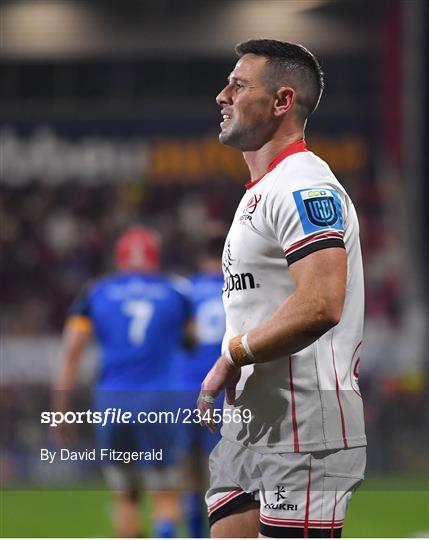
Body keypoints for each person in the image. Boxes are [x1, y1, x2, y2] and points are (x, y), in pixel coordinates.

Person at [197, 39, 366, 538]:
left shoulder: (303, 183)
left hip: (305, 427)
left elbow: (321, 303)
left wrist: (234, 354)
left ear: (282, 102)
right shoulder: (261, 191)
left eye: (239, 85)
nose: (222, 96)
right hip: (252, 424)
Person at [53, 226, 190, 538]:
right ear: (155, 259)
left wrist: (60, 410)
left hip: (112, 402)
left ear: (120, 260)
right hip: (161, 400)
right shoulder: (175, 291)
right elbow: (193, 340)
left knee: (126, 496)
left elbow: (71, 352)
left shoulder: (95, 293)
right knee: (166, 495)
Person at [176, 236, 226, 537]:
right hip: (220, 389)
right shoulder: (236, 286)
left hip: (183, 388)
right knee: (218, 472)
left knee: (188, 472)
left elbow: (180, 338)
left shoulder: (186, 290)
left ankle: (193, 533)